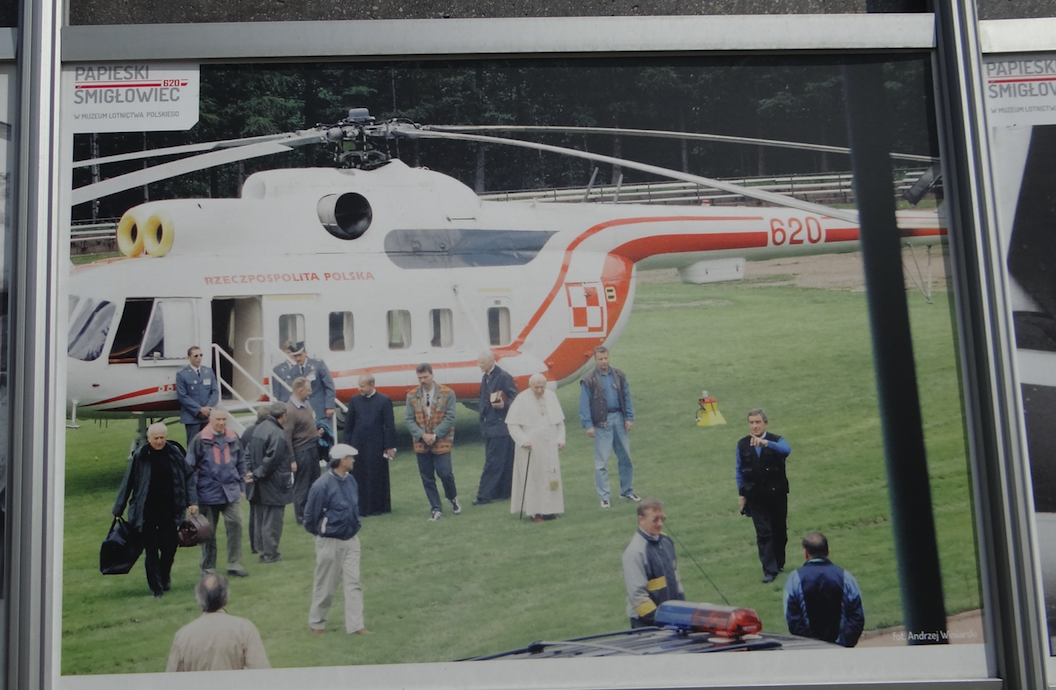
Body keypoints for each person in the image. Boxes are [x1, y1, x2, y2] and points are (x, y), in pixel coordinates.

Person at [112, 422, 197, 598]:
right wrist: (118, 508)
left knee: (169, 548)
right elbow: (127, 483)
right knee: (151, 551)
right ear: (149, 438)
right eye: (156, 438)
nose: (159, 441)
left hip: (170, 510)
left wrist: (192, 501)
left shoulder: (174, 453)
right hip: (146, 512)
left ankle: (164, 577)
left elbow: (188, 476)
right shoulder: (141, 456)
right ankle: (156, 588)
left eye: (162, 438)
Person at [304, 444, 369, 635]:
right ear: (342, 460)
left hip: (351, 539)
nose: (354, 460)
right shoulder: (321, 485)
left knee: (353, 583)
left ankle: (356, 625)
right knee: (326, 585)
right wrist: (324, 532)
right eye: (351, 457)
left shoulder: (350, 481)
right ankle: (317, 623)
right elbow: (309, 518)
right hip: (329, 542)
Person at [186, 408, 248, 578]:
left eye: (224, 419)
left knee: (236, 524)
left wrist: (241, 487)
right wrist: (192, 498)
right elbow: (189, 469)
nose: (221, 423)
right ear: (210, 420)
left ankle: (234, 564)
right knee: (207, 532)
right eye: (218, 419)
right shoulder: (199, 440)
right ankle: (208, 568)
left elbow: (241, 462)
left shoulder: (233, 437)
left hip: (231, 491)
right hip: (207, 493)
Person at [166, 573, 270, 671]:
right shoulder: (244, 629)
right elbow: (262, 673)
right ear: (226, 597)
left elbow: (171, 681)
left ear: (198, 599)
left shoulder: (183, 636)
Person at [578, 346, 640, 508]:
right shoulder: (588, 380)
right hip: (601, 423)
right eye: (600, 359)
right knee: (602, 461)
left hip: (619, 418)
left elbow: (626, 397)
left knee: (626, 457)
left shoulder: (619, 375)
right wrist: (588, 425)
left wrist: (629, 417)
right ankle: (604, 496)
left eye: (606, 358)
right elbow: (584, 405)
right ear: (595, 360)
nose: (604, 361)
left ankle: (627, 490)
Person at [736, 408, 793, 583]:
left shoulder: (777, 440)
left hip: (777, 494)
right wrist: (741, 495)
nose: (754, 426)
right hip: (755, 496)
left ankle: (779, 564)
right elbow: (739, 470)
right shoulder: (742, 444)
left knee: (779, 531)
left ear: (765, 423)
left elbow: (787, 450)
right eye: (751, 422)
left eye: (758, 422)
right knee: (764, 533)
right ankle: (769, 570)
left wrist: (765, 443)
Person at [783, 532, 864, 647]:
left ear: (805, 554)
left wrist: (811, 645)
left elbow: (793, 620)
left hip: (809, 651)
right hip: (841, 649)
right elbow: (856, 617)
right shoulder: (846, 577)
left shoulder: (794, 579)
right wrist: (843, 644)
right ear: (828, 552)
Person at [405, 363, 461, 522]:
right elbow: (408, 419)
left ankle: (452, 498)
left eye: (425, 377)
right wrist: (422, 435)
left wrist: (435, 434)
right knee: (427, 477)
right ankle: (436, 508)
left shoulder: (447, 393)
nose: (423, 380)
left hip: (442, 441)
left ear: (432, 375)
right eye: (420, 377)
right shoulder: (412, 395)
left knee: (445, 473)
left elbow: (450, 417)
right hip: (421, 443)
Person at [505, 373, 565, 522]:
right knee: (534, 478)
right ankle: (535, 512)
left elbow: (559, 423)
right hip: (531, 447)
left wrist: (560, 439)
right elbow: (512, 424)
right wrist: (523, 440)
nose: (539, 390)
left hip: (549, 445)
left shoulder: (551, 396)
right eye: (536, 387)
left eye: (542, 387)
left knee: (551, 476)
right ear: (530, 386)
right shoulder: (521, 399)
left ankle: (550, 510)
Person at [622, 498, 684, 627]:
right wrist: (661, 620)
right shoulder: (634, 552)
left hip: (671, 617)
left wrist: (682, 610)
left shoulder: (666, 542)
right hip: (647, 623)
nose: (660, 523)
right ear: (641, 519)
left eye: (662, 518)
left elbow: (676, 579)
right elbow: (638, 596)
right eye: (655, 519)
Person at [343, 373, 397, 516]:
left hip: (376, 445)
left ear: (372, 385)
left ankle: (378, 507)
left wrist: (389, 446)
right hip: (357, 445)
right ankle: (360, 508)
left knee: (376, 476)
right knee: (358, 476)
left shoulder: (384, 400)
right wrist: (346, 446)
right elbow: (349, 426)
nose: (359, 389)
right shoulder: (354, 400)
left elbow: (389, 425)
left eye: (362, 386)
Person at [247, 402, 294, 563]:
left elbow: (250, 452)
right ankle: (271, 554)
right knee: (273, 521)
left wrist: (252, 473)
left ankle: (263, 552)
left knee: (262, 519)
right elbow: (273, 460)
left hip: (261, 482)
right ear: (283, 416)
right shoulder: (278, 434)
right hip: (274, 482)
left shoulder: (259, 428)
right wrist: (257, 474)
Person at [473, 351, 519, 505]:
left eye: (482, 362)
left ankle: (484, 494)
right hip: (489, 425)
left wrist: (504, 405)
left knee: (493, 461)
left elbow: (515, 397)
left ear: (491, 361)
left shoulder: (503, 376)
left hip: (500, 425)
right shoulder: (486, 377)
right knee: (503, 460)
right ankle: (504, 491)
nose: (479, 365)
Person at [285, 376, 323, 525]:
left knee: (315, 482)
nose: (310, 392)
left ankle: (314, 512)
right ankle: (301, 517)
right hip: (301, 451)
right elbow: (287, 436)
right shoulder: (290, 410)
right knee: (302, 485)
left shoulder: (306, 404)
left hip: (313, 447)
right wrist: (292, 459)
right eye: (308, 390)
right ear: (300, 391)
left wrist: (316, 432)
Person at [272, 341, 336, 429]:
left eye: (300, 355)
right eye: (295, 356)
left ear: (305, 353)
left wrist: (330, 405)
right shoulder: (293, 371)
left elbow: (329, 386)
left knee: (325, 437)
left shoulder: (318, 365)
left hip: (321, 409)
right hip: (304, 412)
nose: (298, 358)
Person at [176, 346, 219, 446]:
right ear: (189, 357)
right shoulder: (182, 375)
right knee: (193, 445)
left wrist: (208, 409)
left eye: (201, 355)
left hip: (207, 416)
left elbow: (215, 392)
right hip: (192, 417)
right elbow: (182, 396)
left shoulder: (208, 372)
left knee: (209, 444)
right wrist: (199, 409)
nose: (199, 358)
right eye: (196, 356)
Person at [241, 407, 269, 556]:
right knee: (263, 513)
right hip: (261, 476)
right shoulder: (266, 432)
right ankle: (262, 546)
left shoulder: (247, 432)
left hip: (248, 476)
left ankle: (254, 545)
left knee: (254, 512)